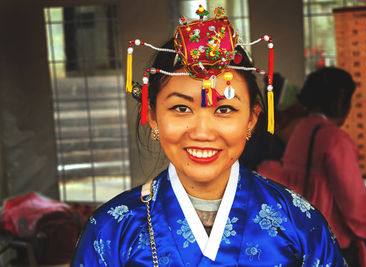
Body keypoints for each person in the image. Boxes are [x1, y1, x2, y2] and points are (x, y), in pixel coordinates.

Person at [72, 7, 346, 266]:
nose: (202, 132)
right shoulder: (112, 230)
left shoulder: (298, 223)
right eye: (181, 108)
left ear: (252, 119)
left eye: (224, 109)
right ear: (153, 117)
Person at [258, 67, 366, 267]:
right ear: (339, 102)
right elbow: (353, 199)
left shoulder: (300, 131)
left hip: (304, 238)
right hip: (334, 241)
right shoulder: (334, 139)